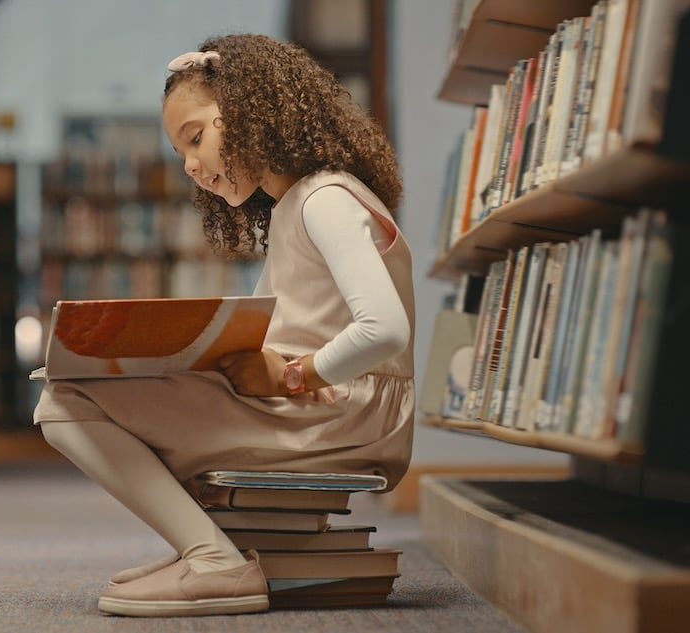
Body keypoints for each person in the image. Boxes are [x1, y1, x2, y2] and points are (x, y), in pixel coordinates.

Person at [35, 33, 416, 617]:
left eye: (197, 138)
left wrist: (293, 377)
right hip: (324, 396)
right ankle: (211, 549)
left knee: (66, 402)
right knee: (83, 389)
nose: (192, 166)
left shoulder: (325, 200)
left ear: (250, 110)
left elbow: (385, 329)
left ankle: (212, 557)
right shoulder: (297, 204)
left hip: (341, 407)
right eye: (180, 155)